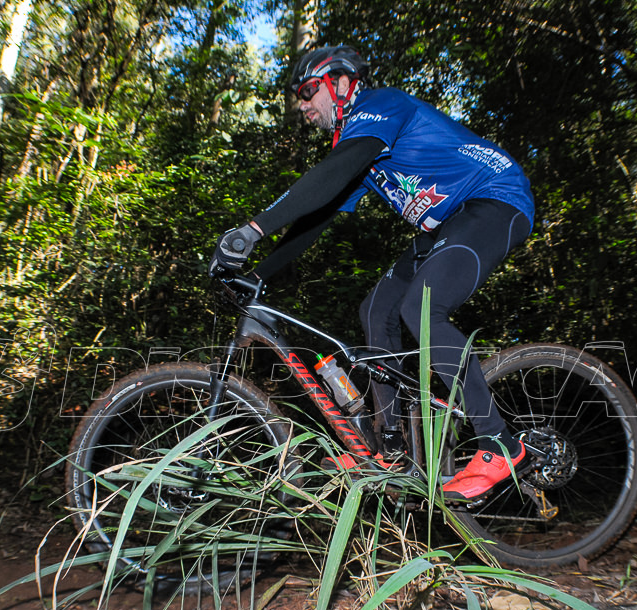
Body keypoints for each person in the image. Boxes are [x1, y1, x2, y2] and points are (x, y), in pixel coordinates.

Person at [209, 45, 535, 502]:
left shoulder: (381, 107)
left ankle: (499, 441)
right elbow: (317, 215)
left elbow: (331, 173)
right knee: (377, 310)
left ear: (341, 84)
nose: (303, 105)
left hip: (494, 200)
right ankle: (391, 447)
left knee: (422, 306)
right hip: (446, 225)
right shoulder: (357, 146)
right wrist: (260, 271)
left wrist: (252, 230)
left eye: (308, 91)